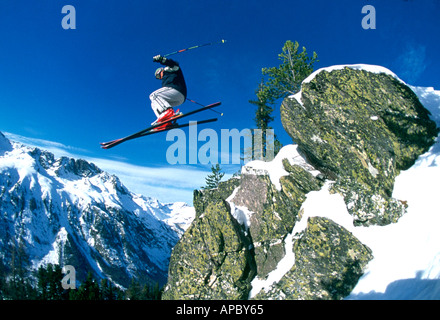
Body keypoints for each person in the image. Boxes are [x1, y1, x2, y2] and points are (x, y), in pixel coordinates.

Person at [149, 55, 187, 127]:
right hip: (178, 99)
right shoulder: (165, 80)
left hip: (177, 91)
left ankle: (168, 112)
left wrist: (161, 59)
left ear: (161, 70)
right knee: (153, 103)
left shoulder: (169, 70)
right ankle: (164, 121)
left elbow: (174, 64)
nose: (160, 78)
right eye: (158, 78)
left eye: (158, 75)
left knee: (153, 95)